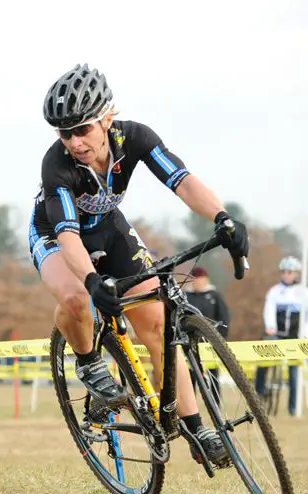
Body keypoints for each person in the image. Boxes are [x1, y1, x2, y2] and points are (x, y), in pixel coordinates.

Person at [29, 64, 250, 467]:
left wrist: (222, 218)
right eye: (65, 133)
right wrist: (94, 279)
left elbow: (181, 180)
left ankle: (195, 425)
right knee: (78, 296)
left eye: (83, 130)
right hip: (57, 236)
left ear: (107, 117)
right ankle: (89, 363)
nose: (74, 142)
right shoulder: (57, 165)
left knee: (157, 324)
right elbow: (66, 233)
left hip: (109, 230)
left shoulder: (135, 138)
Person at [255, 256, 308, 415]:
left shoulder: (303, 292)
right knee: (263, 363)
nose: (286, 274)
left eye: (290, 272)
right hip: (277, 334)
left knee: (294, 372)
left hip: (295, 336)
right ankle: (258, 395)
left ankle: (293, 407)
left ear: (296, 273)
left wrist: (304, 333)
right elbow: (269, 310)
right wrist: (270, 327)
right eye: (284, 271)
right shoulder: (274, 291)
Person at [184, 266, 228, 397]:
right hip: (190, 342)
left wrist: (220, 338)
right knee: (189, 376)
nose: (199, 282)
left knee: (213, 376)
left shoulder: (215, 295)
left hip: (210, 342)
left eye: (201, 280)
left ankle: (216, 406)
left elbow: (224, 317)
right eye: (196, 280)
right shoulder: (186, 296)